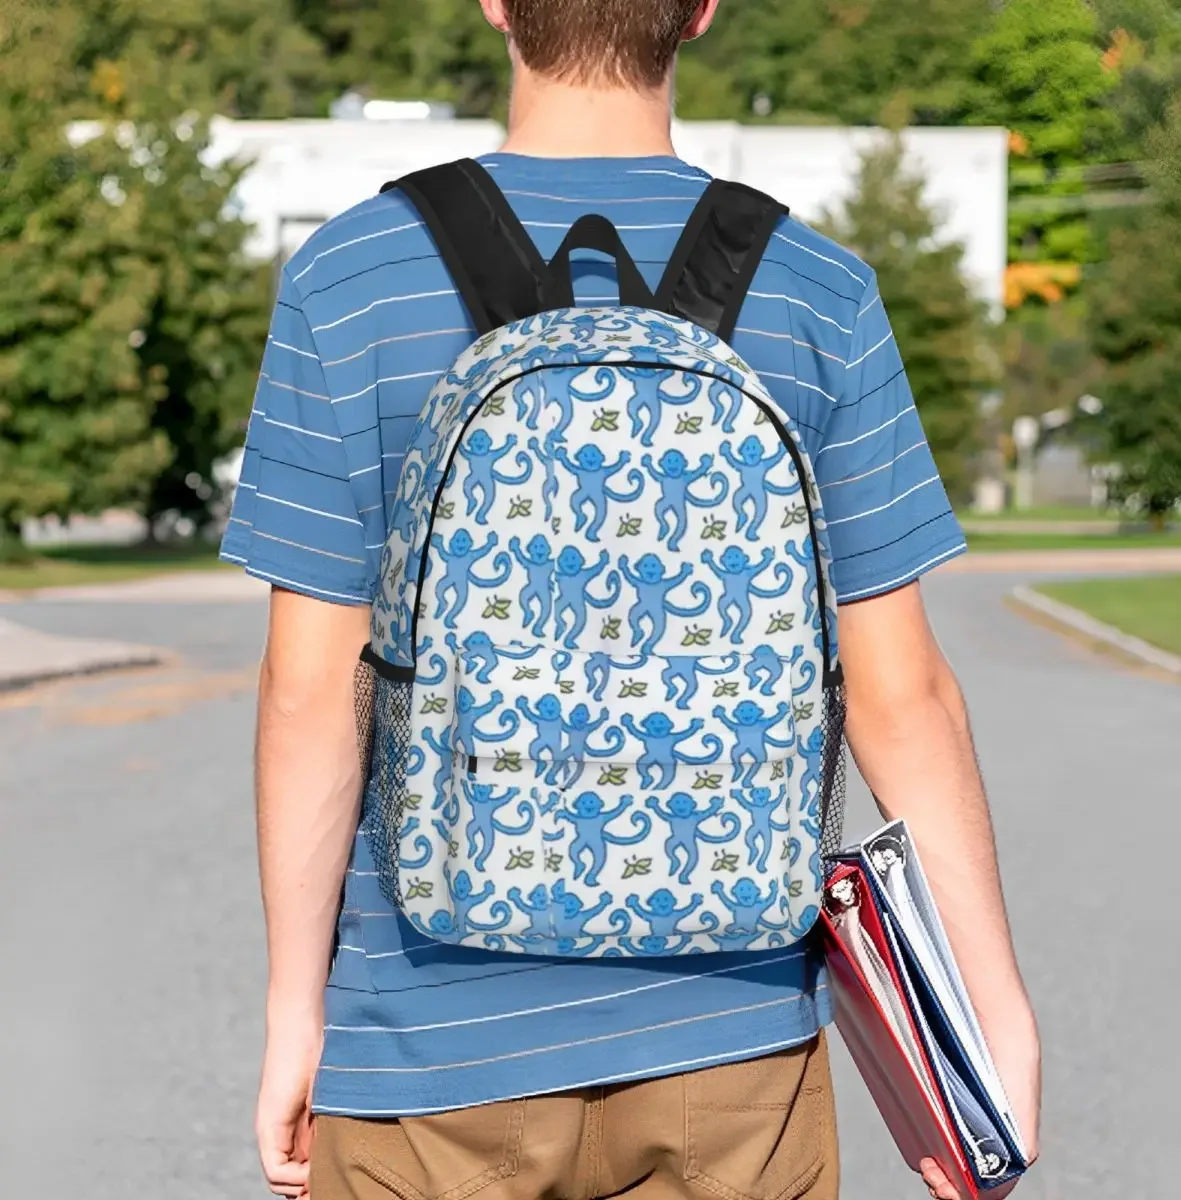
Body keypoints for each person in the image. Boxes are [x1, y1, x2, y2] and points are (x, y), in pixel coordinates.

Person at [220, 3, 1041, 1198]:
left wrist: (299, 1012)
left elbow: (309, 689)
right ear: (701, 10)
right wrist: (988, 1012)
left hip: (425, 1046)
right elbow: (901, 694)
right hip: (735, 1043)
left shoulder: (350, 279)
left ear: (497, 3)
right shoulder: (819, 290)